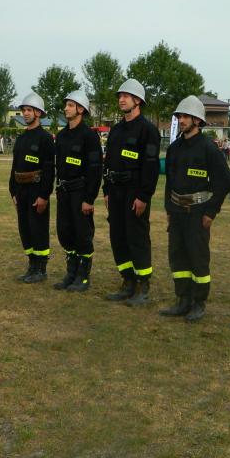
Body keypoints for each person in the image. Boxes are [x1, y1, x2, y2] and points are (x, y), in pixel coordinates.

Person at [159, 96, 230, 322]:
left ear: (198, 121)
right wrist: (169, 209)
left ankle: (199, 302)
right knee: (177, 256)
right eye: (180, 116)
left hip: (198, 214)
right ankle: (183, 300)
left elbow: (224, 182)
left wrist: (211, 212)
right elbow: (169, 182)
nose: (181, 120)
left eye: (186, 117)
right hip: (177, 213)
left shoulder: (209, 148)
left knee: (197, 257)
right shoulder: (174, 148)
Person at [102, 78, 160, 306]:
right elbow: (108, 162)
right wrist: (106, 190)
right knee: (118, 237)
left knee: (137, 238)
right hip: (115, 191)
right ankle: (127, 282)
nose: (121, 99)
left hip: (134, 192)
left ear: (138, 101)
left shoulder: (148, 130)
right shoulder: (116, 130)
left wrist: (143, 196)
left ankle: (143, 286)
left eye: (126, 96)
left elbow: (151, 167)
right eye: (120, 96)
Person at [53, 90, 102, 292]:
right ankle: (71, 273)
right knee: (65, 232)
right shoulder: (62, 136)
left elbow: (95, 169)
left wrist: (89, 199)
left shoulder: (89, 136)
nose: (66, 108)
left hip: (80, 193)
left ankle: (83, 276)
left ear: (81, 109)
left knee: (82, 234)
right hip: (63, 192)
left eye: (70, 105)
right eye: (66, 105)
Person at [9, 92, 55, 283]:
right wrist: (12, 190)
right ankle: (32, 265)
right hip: (21, 191)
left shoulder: (45, 138)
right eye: (24, 110)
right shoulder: (21, 139)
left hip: (37, 191)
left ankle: (41, 270)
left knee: (38, 229)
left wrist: (44, 195)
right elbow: (15, 166)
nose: (25, 113)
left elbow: (49, 170)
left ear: (38, 113)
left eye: (29, 110)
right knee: (25, 229)